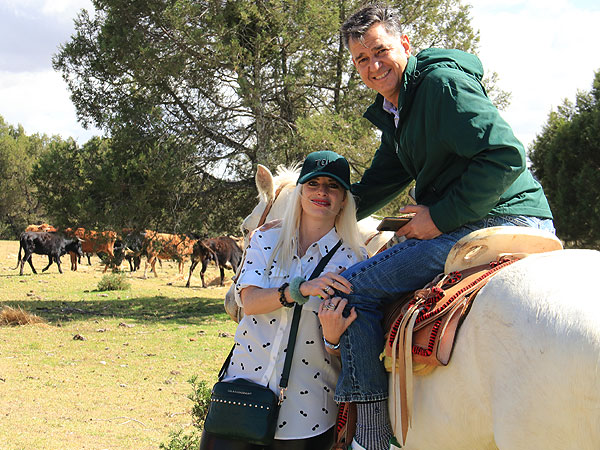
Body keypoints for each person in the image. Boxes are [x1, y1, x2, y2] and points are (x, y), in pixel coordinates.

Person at [332, 4, 555, 450]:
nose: (374, 66)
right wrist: (328, 207)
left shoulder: (441, 86)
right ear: (355, 67)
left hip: (493, 217)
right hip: (490, 215)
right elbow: (379, 181)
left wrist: (439, 216)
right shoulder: (398, 111)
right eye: (362, 59)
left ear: (405, 45)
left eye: (381, 51)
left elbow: (506, 156)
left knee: (348, 290)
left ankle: (373, 439)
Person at [199, 150, 368, 450]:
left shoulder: (355, 259)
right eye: (313, 184)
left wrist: (332, 339)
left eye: (333, 186)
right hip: (241, 395)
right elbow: (248, 302)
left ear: (344, 199)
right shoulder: (266, 238)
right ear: (300, 191)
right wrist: (299, 290)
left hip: (309, 413)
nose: (322, 192)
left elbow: (353, 345)